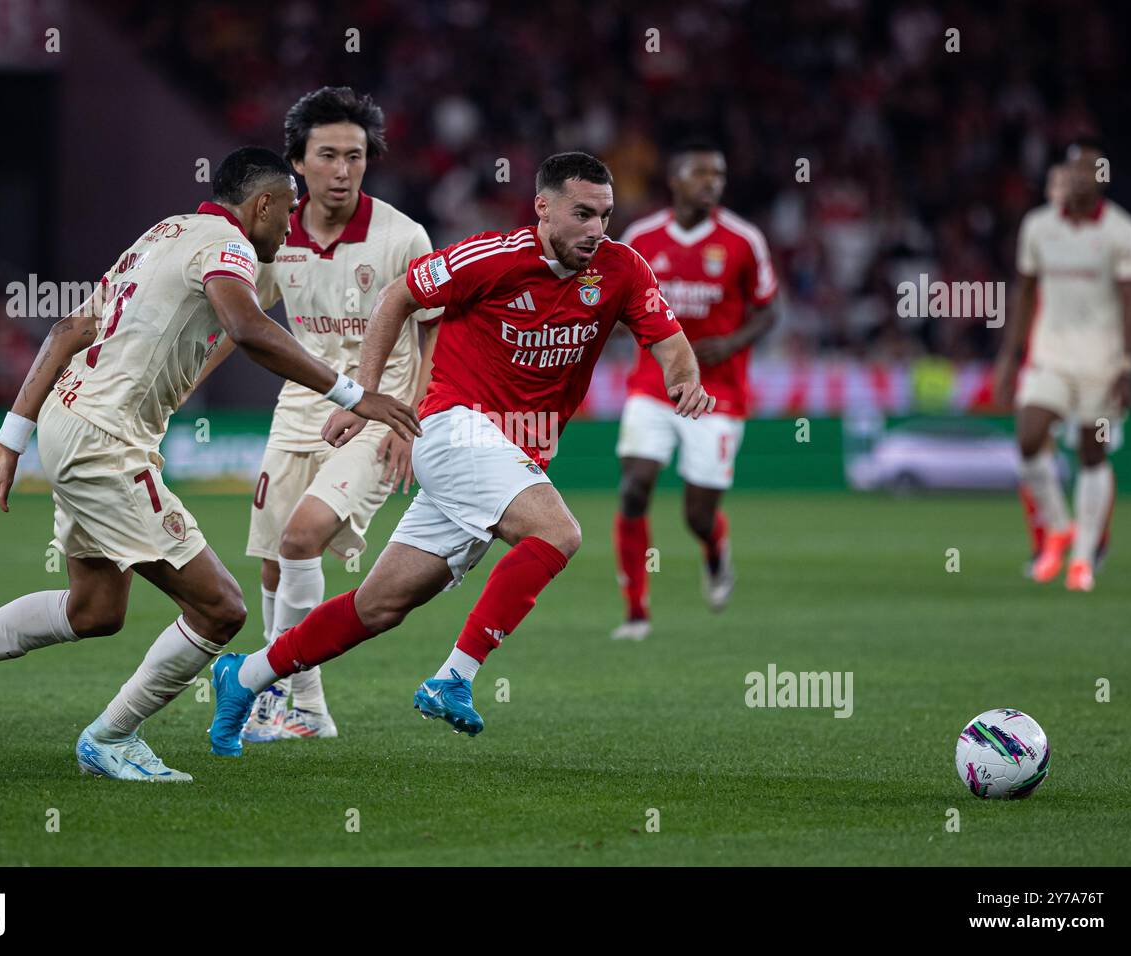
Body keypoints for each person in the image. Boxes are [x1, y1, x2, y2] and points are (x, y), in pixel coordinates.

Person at [0, 148, 419, 779]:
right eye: (287, 211)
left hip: (72, 418)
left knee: (95, 609)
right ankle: (111, 737)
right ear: (261, 205)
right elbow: (248, 328)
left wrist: (11, 439)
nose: (291, 227)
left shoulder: (163, 233)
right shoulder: (227, 245)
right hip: (106, 438)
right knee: (221, 609)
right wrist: (353, 393)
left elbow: (71, 327)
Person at [208, 151, 714, 756]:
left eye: (605, 216)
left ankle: (245, 676)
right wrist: (366, 396)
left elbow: (671, 343)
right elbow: (397, 295)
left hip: (514, 453)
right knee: (558, 534)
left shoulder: (621, 268)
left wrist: (685, 380)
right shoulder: (493, 258)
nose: (596, 230)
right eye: (582, 214)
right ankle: (454, 678)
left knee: (380, 605)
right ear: (543, 208)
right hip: (455, 428)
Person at [202, 88, 441, 742]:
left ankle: (294, 702)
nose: (343, 171)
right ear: (297, 164)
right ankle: (293, 703)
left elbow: (432, 329)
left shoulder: (401, 236)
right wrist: (180, 382)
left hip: (379, 408)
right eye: (329, 156)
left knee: (302, 537)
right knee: (275, 562)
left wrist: (407, 420)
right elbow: (240, 319)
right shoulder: (281, 234)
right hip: (302, 405)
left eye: (356, 157)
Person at [611, 143, 779, 640]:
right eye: (700, 172)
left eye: (719, 174)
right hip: (653, 386)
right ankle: (637, 610)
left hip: (718, 394)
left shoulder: (743, 240)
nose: (712, 182)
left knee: (697, 514)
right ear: (675, 180)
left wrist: (731, 342)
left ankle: (714, 549)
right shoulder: (641, 236)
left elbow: (769, 310)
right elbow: (614, 298)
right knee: (634, 485)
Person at [993, 136, 1131, 592]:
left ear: (1103, 181)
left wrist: (1126, 364)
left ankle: (1082, 560)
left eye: (1090, 172)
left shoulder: (1122, 231)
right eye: (1074, 170)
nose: (1080, 178)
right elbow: (1022, 291)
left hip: (1101, 361)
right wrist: (1008, 356)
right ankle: (1060, 527)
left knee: (1091, 451)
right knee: (1028, 435)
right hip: (1049, 357)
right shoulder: (1039, 227)